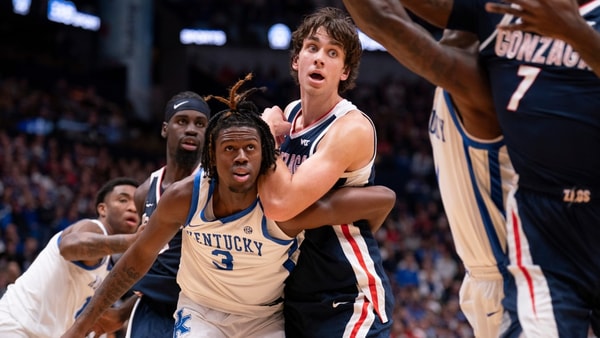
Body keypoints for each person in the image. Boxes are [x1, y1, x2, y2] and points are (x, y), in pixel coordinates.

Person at [61, 75, 397, 338]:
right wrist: (81, 326)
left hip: (263, 319)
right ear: (211, 156)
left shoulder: (284, 209)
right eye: (229, 148)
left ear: (265, 154)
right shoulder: (184, 197)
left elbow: (383, 199)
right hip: (202, 312)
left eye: (250, 147)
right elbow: (135, 261)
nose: (240, 156)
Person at [350, 0, 600, 336]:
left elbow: (386, 20)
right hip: (510, 263)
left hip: (505, 268)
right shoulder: (478, 46)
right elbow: (388, 15)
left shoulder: (471, 81)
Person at [341, 1, 517, 337]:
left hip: (508, 280)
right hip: (488, 277)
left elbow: (383, 18)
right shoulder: (462, 52)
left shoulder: (476, 81)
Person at [258, 7, 394, 337]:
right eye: (313, 48)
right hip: (296, 295)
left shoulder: (351, 128)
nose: (320, 58)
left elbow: (279, 205)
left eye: (332, 53)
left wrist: (264, 135)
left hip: (347, 296)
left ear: (345, 71)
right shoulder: (290, 115)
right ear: (296, 59)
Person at [0, 177, 142, 338]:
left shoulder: (109, 261)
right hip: (16, 326)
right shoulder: (93, 228)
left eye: (137, 203)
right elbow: (69, 246)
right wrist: (132, 241)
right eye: (123, 200)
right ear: (103, 209)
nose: (132, 208)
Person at [123, 91, 211, 337]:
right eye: (182, 121)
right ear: (165, 129)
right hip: (151, 309)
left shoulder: (215, 186)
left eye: (200, 124)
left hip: (202, 306)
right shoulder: (143, 192)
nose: (191, 129)